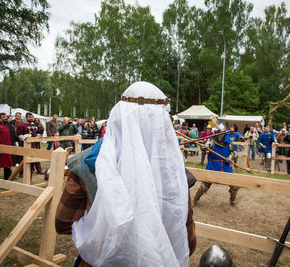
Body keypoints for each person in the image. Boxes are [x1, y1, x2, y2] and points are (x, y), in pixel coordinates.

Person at [56, 81, 195, 266]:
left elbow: (64, 222)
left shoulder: (84, 163)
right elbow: (188, 242)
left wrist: (100, 229)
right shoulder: (173, 174)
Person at [193, 125, 239, 207]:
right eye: (217, 133)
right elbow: (204, 148)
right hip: (213, 165)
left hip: (225, 166)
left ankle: (232, 200)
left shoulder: (228, 142)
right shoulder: (211, 140)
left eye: (220, 133)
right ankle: (195, 200)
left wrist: (229, 158)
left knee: (235, 185)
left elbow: (232, 153)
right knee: (204, 186)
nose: (218, 135)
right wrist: (205, 147)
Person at [0, 113, 17, 179]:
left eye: (6, 116)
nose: (6, 118)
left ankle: (7, 179)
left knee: (8, 165)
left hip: (8, 149)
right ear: (0, 118)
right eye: (4, 117)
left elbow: (14, 136)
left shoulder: (9, 125)